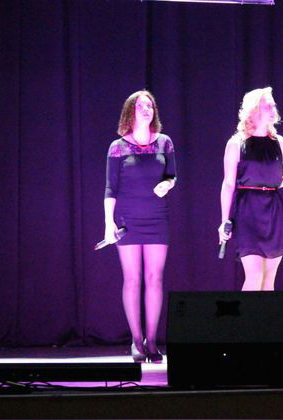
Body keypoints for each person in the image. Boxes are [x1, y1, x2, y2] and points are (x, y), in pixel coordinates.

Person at [103, 90, 176, 363]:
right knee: (132, 279)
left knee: (155, 279)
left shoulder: (164, 142)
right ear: (130, 112)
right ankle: (136, 340)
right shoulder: (118, 147)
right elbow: (110, 189)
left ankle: (152, 340)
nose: (147, 109)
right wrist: (108, 223)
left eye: (150, 106)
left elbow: (172, 175)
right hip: (128, 220)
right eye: (141, 106)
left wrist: (167, 184)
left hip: (157, 218)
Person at [219, 87, 283, 291]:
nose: (273, 109)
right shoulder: (237, 143)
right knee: (254, 276)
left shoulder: (280, 143)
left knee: (269, 279)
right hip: (248, 210)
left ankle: (265, 314)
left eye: (273, 105)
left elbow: (272, 181)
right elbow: (228, 184)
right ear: (254, 110)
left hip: (272, 210)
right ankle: (246, 314)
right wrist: (224, 221)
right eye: (267, 106)